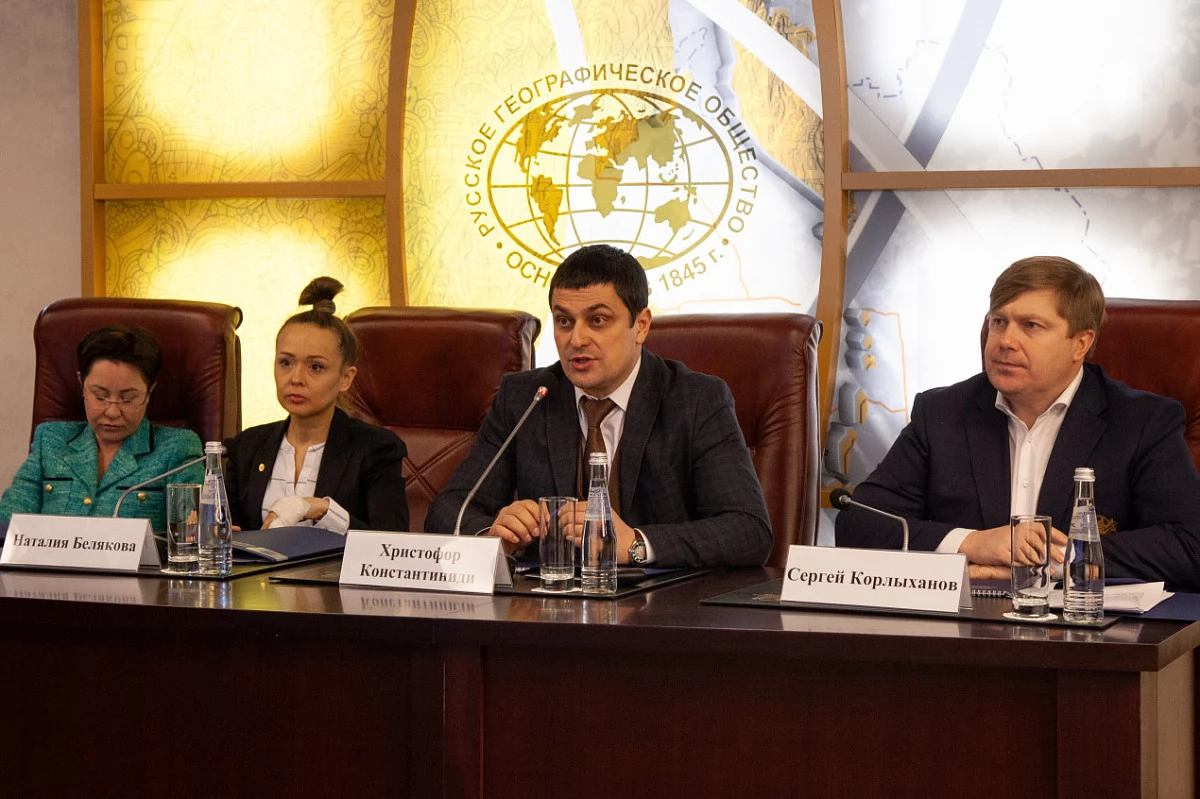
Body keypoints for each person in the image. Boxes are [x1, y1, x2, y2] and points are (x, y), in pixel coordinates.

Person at [835, 255, 1200, 590]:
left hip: (1086, 628)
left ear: (1080, 343)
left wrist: (1055, 559)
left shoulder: (1142, 422)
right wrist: (972, 543)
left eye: (1030, 326)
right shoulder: (942, 413)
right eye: (999, 322)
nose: (1005, 341)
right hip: (965, 624)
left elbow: (1190, 545)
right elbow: (859, 523)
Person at [425, 244, 771, 567]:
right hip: (547, 602)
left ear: (641, 326)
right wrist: (491, 537)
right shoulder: (527, 397)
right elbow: (448, 509)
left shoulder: (696, 400)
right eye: (564, 321)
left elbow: (749, 530)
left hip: (659, 604)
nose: (576, 339)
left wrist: (635, 544)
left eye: (598, 321)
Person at [222, 277, 409, 533]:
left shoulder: (377, 448)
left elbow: (391, 542)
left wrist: (323, 509)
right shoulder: (247, 446)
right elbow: (231, 530)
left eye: (316, 367)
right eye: (286, 363)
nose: (296, 378)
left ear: (346, 378)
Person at [0, 325, 203, 530]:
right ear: (81, 384)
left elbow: (192, 532)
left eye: (128, 399)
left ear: (149, 392)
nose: (112, 412)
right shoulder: (51, 440)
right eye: (100, 396)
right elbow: (9, 524)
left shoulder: (177, 449)